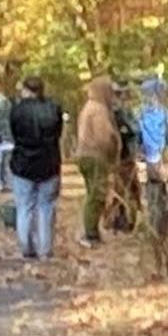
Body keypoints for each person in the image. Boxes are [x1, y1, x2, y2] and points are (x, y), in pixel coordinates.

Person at [7, 73, 65, 261]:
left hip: (23, 163)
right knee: (46, 207)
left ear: (25, 90)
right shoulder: (54, 108)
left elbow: (14, 133)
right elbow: (58, 134)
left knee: (24, 206)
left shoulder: (17, 110)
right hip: (48, 163)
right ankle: (45, 249)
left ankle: (26, 247)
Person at [74, 76, 125, 245]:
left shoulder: (90, 107)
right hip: (96, 156)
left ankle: (92, 231)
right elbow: (105, 136)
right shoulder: (98, 110)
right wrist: (113, 150)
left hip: (87, 155)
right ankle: (90, 234)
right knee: (97, 194)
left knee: (93, 193)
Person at [135, 76, 168, 242]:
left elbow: (137, 138)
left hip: (144, 161)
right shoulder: (167, 115)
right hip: (162, 159)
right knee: (166, 194)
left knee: (150, 194)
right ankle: (161, 228)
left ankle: (153, 228)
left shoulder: (140, 114)